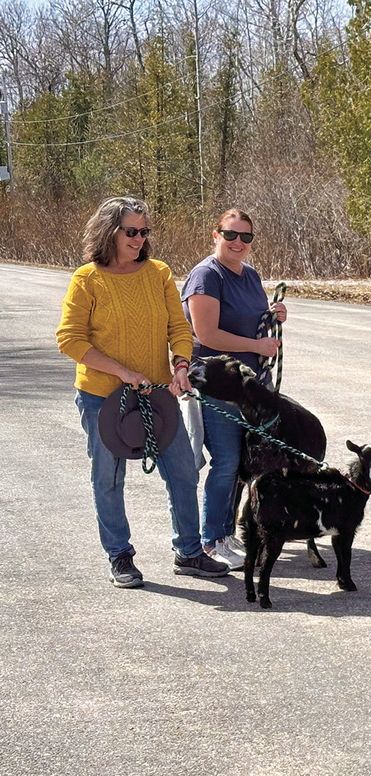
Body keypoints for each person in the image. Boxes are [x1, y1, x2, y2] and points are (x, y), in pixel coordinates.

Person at [56, 196, 231, 588]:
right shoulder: (88, 279)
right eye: (131, 231)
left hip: (156, 395)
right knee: (108, 478)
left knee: (184, 471)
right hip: (103, 397)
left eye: (144, 231)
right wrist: (121, 372)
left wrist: (182, 364)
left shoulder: (158, 273)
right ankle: (120, 555)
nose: (139, 239)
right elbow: (69, 339)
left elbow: (178, 328)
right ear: (109, 232)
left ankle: (189, 552)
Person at [182, 208, 285, 569]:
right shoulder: (206, 276)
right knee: (225, 461)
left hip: (250, 386)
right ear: (216, 235)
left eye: (246, 237)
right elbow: (206, 335)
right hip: (217, 384)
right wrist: (257, 347)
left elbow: (250, 318)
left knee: (242, 462)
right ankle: (212, 540)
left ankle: (227, 533)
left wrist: (272, 315)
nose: (238, 243)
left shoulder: (250, 275)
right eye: (231, 235)